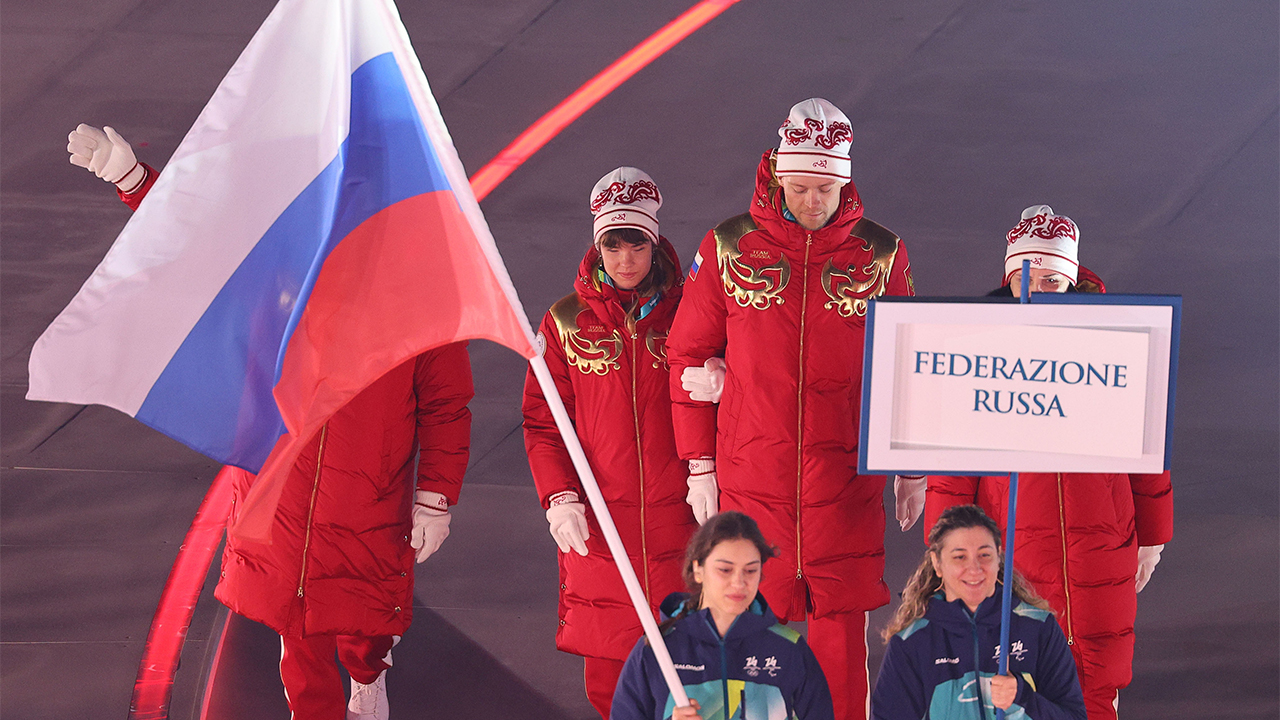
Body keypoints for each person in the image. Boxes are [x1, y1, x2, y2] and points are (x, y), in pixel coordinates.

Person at [68, 124, 474, 720]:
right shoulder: (280, 262)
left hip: (369, 497)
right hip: (282, 487)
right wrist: (134, 180)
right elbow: (201, 250)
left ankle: (369, 672)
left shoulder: (421, 290)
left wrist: (435, 496)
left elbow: (445, 403)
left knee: (364, 616)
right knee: (298, 627)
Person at [665, 98, 915, 719]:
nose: (812, 201)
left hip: (843, 483)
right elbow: (687, 353)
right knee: (752, 647)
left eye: (825, 189)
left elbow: (908, 365)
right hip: (755, 476)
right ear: (777, 175)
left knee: (840, 658)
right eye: (799, 188)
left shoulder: (881, 254)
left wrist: (912, 466)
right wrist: (698, 463)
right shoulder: (728, 247)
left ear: (845, 182)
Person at [922, 205, 1174, 720]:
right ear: (1009, 279)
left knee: (1096, 679)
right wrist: (945, 547)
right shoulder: (979, 352)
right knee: (1013, 681)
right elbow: (954, 463)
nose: (1037, 292)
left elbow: (1147, 443)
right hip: (1014, 549)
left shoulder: (1115, 345)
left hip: (1101, 547)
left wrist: (1153, 533)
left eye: (1052, 281)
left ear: (1072, 281)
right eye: (1026, 279)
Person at [522, 167, 698, 719]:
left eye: (637, 245)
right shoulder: (565, 323)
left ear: (654, 242)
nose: (625, 260)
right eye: (612, 246)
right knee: (608, 677)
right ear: (597, 247)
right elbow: (544, 421)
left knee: (689, 669)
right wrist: (559, 496)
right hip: (601, 522)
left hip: (682, 516)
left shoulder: (692, 311)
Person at [612, 511, 834, 720]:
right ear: (698, 570)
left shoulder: (789, 649)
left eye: (750, 570)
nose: (739, 583)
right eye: (725, 570)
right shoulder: (657, 650)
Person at [872, 505, 1087, 719]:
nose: (975, 569)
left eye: (984, 555)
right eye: (960, 557)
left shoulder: (1038, 628)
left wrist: (1023, 696)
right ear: (937, 563)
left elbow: (1074, 717)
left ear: (998, 557)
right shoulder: (913, 642)